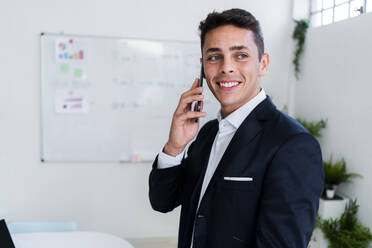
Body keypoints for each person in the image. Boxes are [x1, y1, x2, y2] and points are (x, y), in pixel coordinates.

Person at [149, 8, 324, 248]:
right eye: (214, 57)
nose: (226, 68)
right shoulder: (207, 133)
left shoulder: (292, 144)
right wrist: (175, 146)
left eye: (240, 55)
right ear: (203, 67)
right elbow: (162, 201)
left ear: (263, 64)